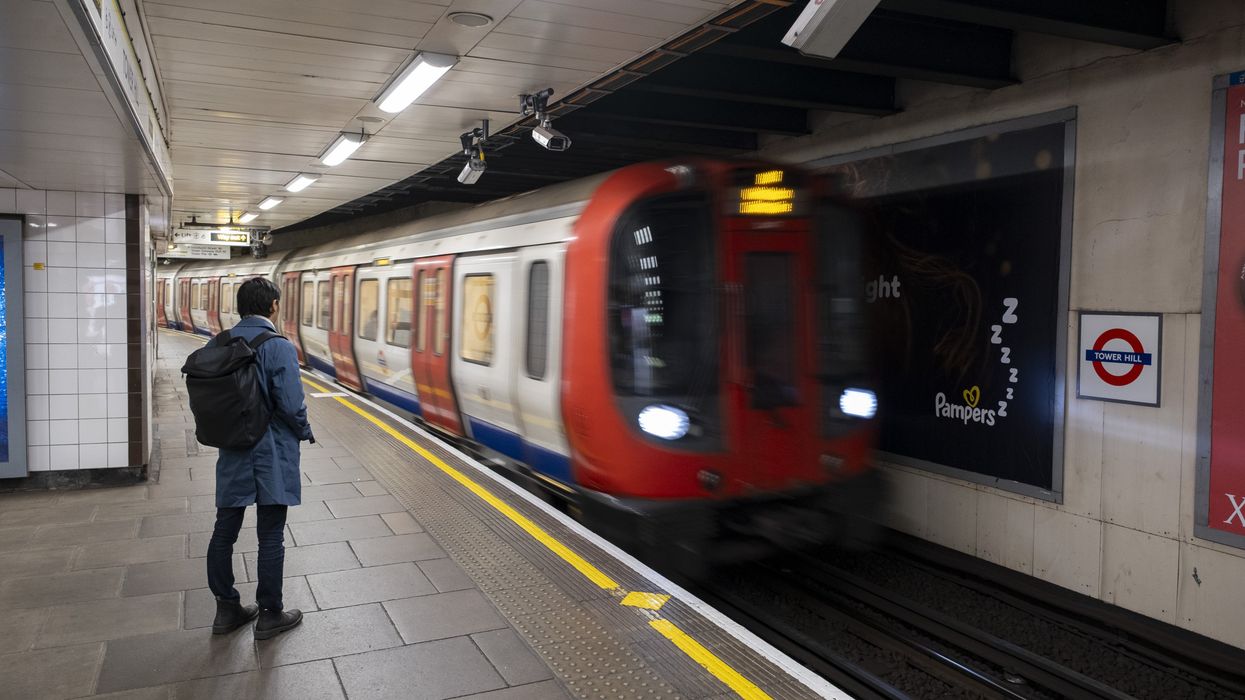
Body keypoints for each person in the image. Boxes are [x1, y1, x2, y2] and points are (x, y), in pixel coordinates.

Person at [205, 277, 314, 639]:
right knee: (270, 535)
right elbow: (291, 403)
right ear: (273, 306)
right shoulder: (278, 346)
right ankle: (270, 614)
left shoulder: (221, 342)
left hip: (233, 450)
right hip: (270, 452)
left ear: (240, 307)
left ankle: (226, 609)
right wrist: (304, 429)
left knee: (225, 531)